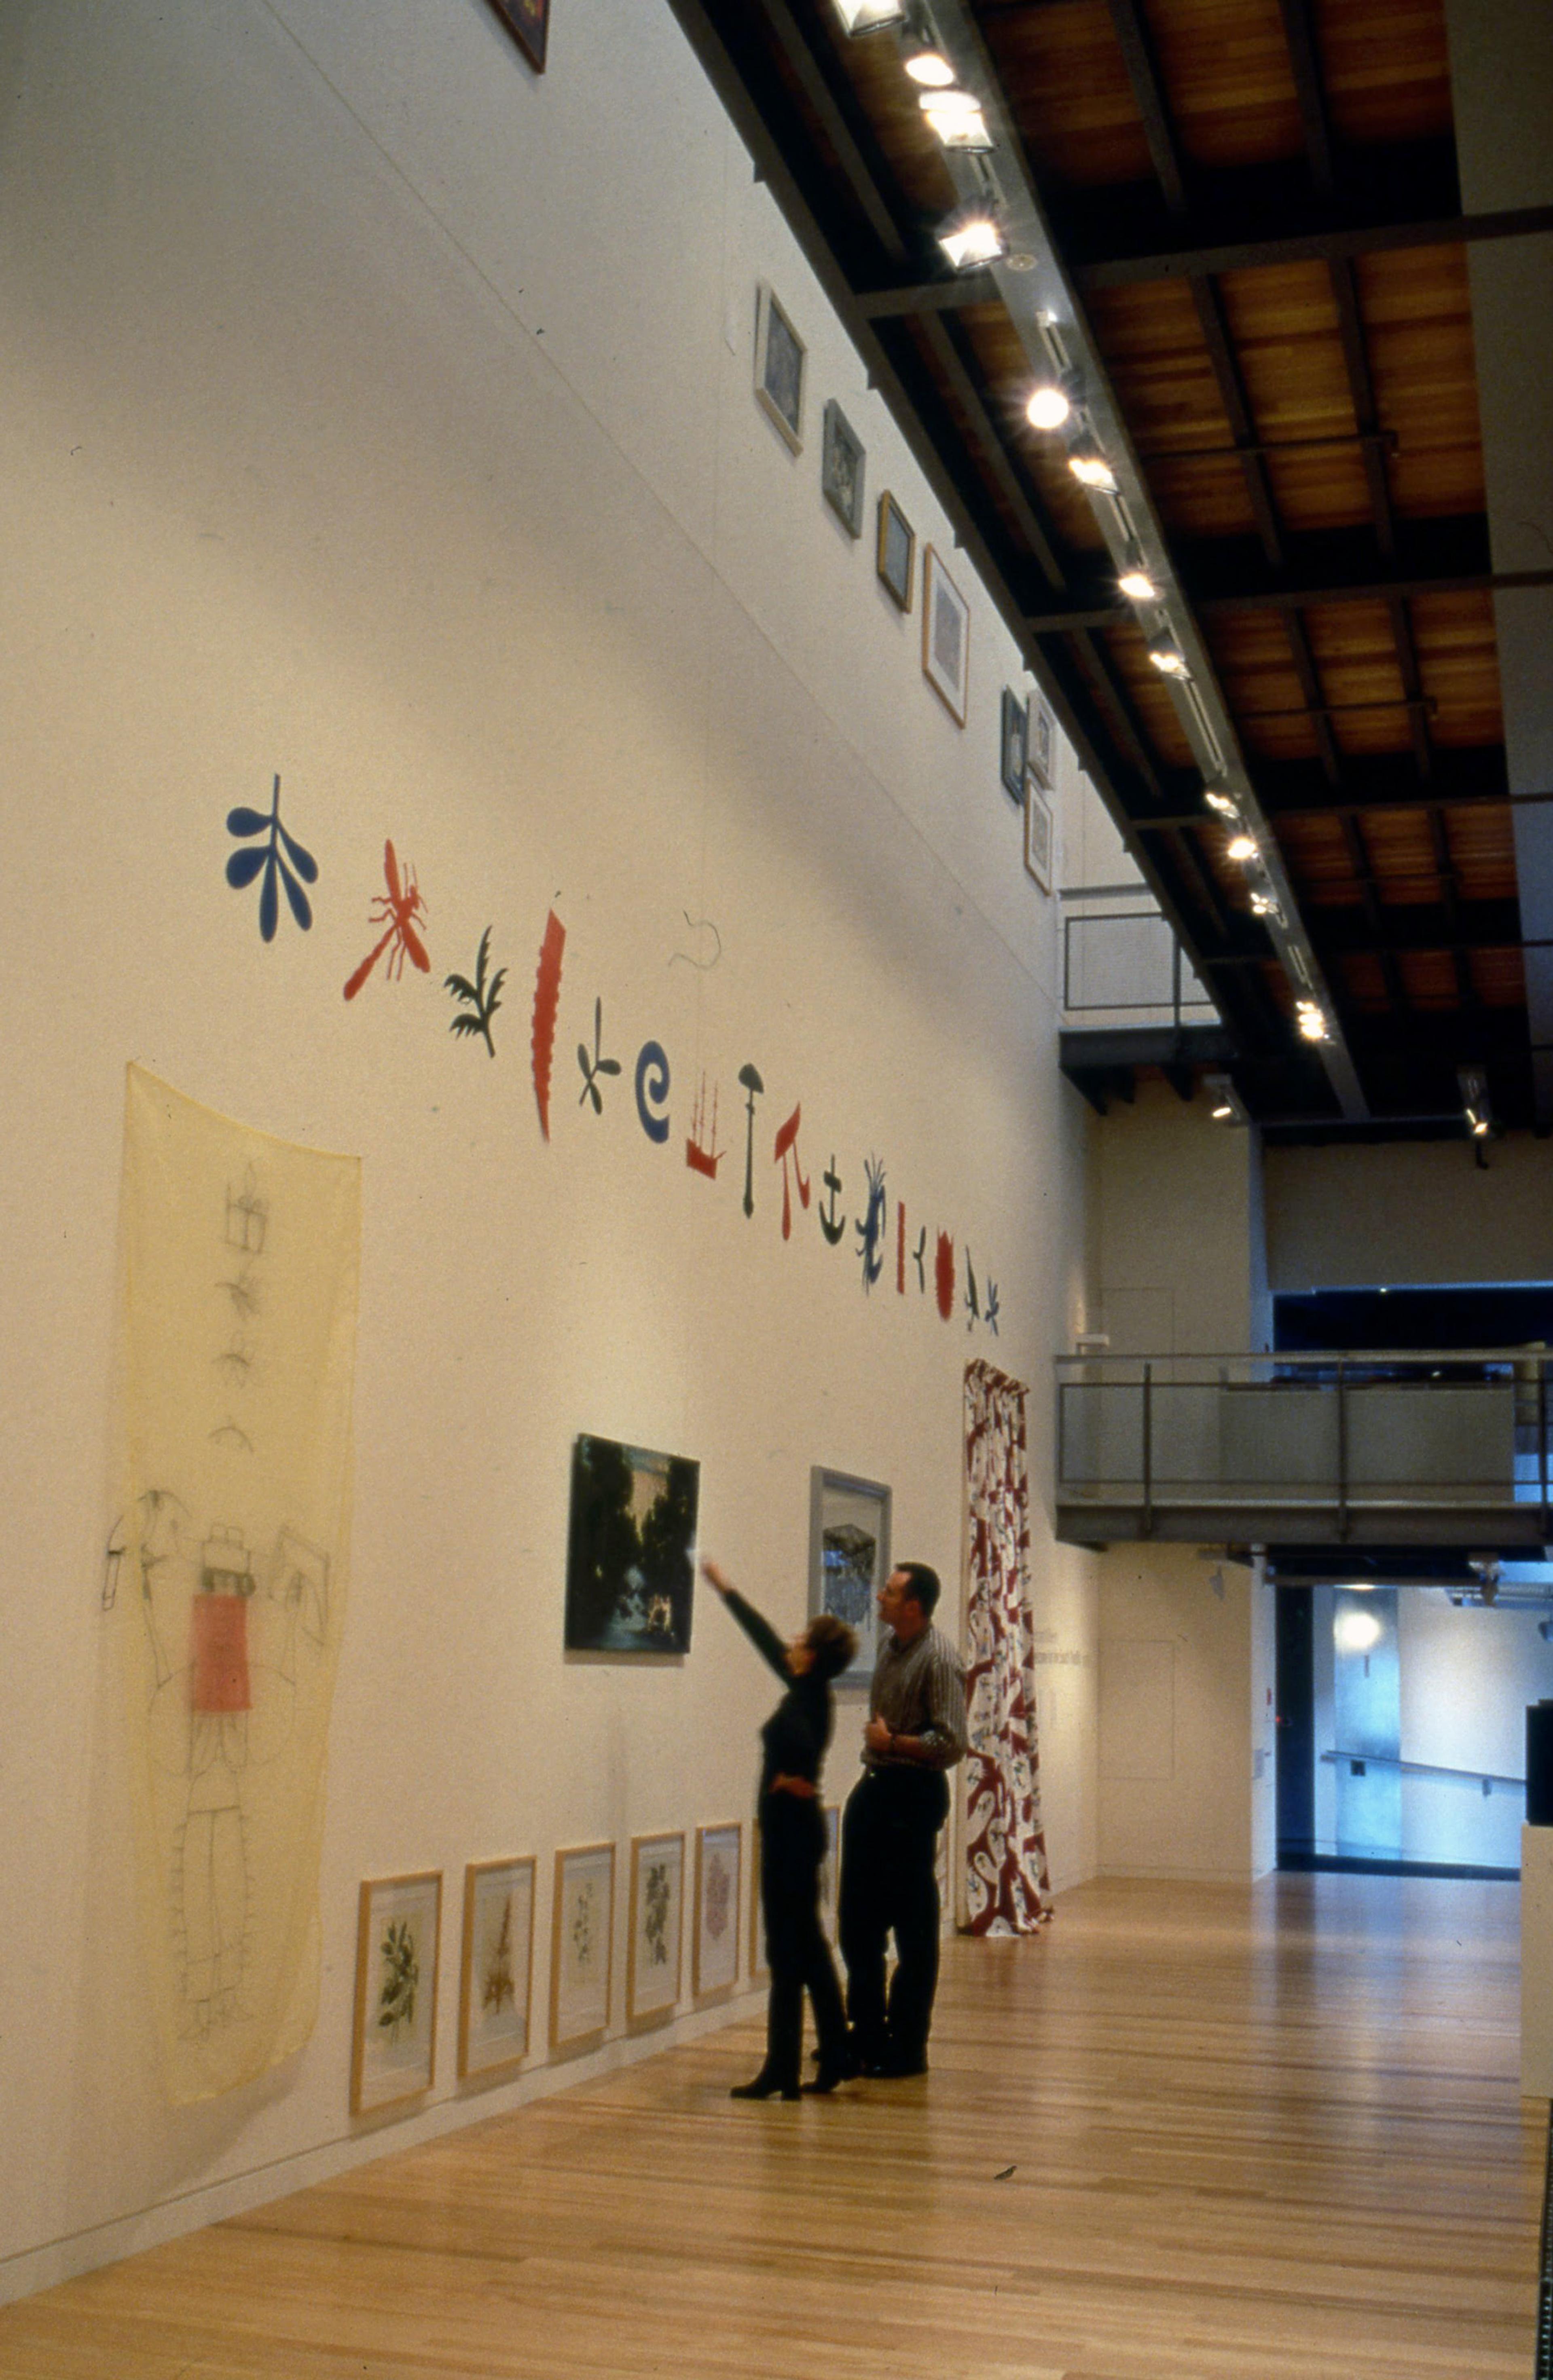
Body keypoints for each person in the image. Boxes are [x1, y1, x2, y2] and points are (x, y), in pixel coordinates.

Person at [702, 1557, 858, 2101]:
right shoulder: (808, 1686)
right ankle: (819, 2057)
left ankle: (787, 2066)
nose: (790, 1641)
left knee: (789, 1952)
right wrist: (727, 1589)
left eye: (801, 1638)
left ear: (810, 1655)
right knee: (804, 1951)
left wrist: (790, 1780)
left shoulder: (807, 1699)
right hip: (796, 1833)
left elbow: (799, 1747)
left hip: (792, 1835)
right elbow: (765, 1638)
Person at [838, 1562, 967, 2078]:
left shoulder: (939, 1661)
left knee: (913, 1929)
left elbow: (952, 1742)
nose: (880, 1598)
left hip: (912, 1796)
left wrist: (894, 1743)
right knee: (858, 1925)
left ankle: (907, 2047)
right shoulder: (890, 1650)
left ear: (914, 1606)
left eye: (889, 1593)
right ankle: (867, 2035)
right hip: (875, 1791)